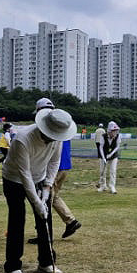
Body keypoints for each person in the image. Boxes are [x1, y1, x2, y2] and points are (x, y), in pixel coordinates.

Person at [1, 107, 76, 273]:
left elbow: (54, 162)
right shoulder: (23, 139)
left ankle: (46, 263)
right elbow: (24, 174)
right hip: (14, 179)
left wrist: (47, 188)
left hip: (40, 178)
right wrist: (37, 202)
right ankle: (12, 267)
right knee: (17, 218)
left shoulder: (58, 137)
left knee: (45, 219)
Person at [28, 99, 81, 244]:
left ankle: (45, 234)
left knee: (44, 199)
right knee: (53, 196)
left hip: (54, 168)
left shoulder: (48, 125)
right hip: (64, 166)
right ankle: (70, 221)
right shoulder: (62, 120)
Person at [98, 121, 120, 193]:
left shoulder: (118, 136)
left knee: (113, 170)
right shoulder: (103, 136)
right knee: (102, 171)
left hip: (113, 156)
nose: (115, 132)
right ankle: (103, 186)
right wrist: (103, 158)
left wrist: (111, 154)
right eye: (113, 131)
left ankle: (112, 186)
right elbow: (100, 147)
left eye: (116, 130)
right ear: (109, 131)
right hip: (103, 155)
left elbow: (117, 147)